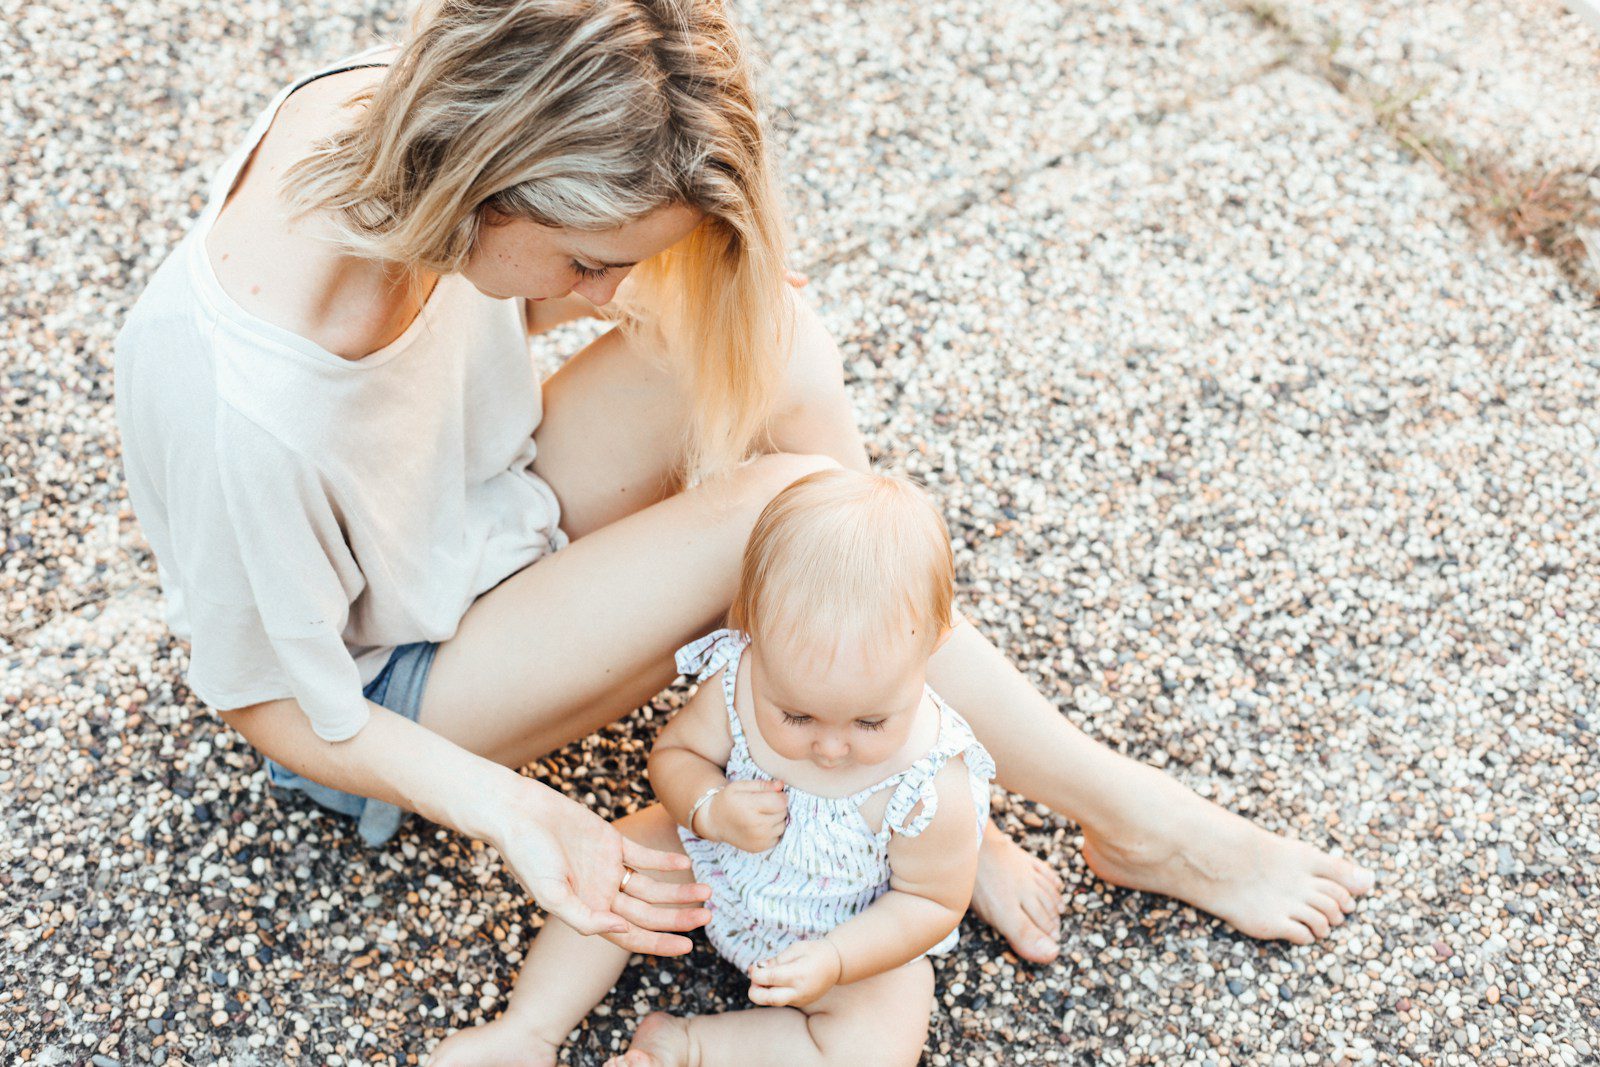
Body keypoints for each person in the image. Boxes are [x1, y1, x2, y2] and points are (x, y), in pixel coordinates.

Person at [113, 0, 1372, 982]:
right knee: (786, 507)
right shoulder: (243, 399)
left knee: (767, 329)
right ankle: (1119, 814)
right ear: (479, 185)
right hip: (389, 690)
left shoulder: (401, 117)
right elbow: (269, 705)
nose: (599, 298)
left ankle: (906, 763)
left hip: (475, 511)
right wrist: (521, 815)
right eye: (591, 261)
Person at [433, 469, 994, 1067]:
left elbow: (929, 904)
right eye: (797, 717)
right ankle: (528, 1029)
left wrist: (836, 958)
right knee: (615, 857)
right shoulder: (740, 680)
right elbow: (676, 755)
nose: (831, 749)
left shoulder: (930, 786)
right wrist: (707, 807)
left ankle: (691, 1047)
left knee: (882, 1036)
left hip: (846, 932)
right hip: (713, 866)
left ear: (933, 644)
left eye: (870, 723)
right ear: (751, 632)